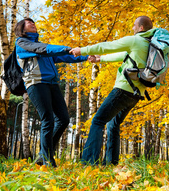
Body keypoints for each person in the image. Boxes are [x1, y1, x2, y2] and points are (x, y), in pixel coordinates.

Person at [69, 16, 153, 165]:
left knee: (98, 121)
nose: (132, 28)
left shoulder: (135, 40)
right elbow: (123, 55)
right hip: (136, 94)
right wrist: (100, 59)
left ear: (140, 28)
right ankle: (111, 163)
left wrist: (82, 50)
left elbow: (107, 46)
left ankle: (89, 163)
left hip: (123, 90)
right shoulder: (149, 45)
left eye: (134, 25)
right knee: (113, 124)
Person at [14, 18, 89, 167]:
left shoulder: (41, 46)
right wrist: (67, 48)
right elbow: (44, 49)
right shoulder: (22, 43)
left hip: (52, 83)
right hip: (36, 83)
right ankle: (48, 162)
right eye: (29, 23)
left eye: (34, 23)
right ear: (21, 28)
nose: (33, 24)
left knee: (63, 119)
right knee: (48, 119)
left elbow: (64, 56)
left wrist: (87, 56)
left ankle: (43, 154)